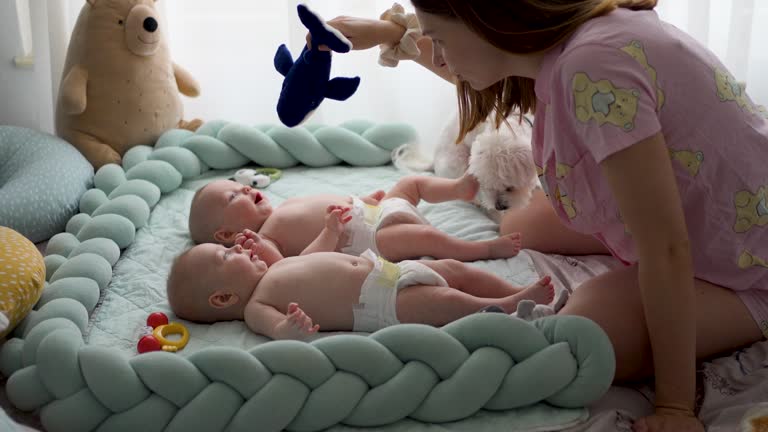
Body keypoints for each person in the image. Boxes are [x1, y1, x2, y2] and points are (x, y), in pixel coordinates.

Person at [310, 1, 768, 431]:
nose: (442, 56)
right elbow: (480, 66)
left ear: (488, 18)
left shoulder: (592, 66)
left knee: (585, 330)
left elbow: (665, 246)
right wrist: (392, 34)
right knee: (519, 224)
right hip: (705, 212)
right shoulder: (568, 47)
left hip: (748, 264)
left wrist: (674, 406)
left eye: (440, 39)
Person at [166, 227, 555, 339]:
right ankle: (512, 305)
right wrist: (292, 326)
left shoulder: (274, 269)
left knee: (452, 268)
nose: (236, 248)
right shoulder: (256, 307)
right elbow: (279, 332)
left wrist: (331, 231)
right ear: (222, 297)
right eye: (226, 256)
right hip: (378, 308)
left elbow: (312, 256)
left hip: (386, 271)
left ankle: (507, 290)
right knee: (444, 299)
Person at [188, 173, 524, 262]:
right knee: (424, 239)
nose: (244, 189)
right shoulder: (268, 240)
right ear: (226, 234)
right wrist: (329, 233)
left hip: (376, 213)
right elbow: (300, 264)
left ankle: (458, 188)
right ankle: (483, 250)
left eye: (238, 185)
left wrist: (362, 200)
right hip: (369, 242)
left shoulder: (286, 204)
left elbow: (335, 201)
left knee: (410, 183)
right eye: (232, 196)